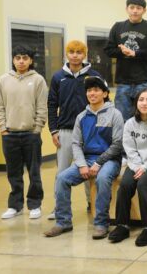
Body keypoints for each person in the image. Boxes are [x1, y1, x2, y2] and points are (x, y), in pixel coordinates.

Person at [44, 76, 123, 239]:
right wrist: (81, 164)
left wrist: (99, 163)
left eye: (96, 90)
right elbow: (76, 144)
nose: (91, 93)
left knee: (102, 178)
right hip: (86, 159)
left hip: (109, 160)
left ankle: (101, 223)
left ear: (105, 93)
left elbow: (117, 144)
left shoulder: (115, 114)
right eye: (89, 90)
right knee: (62, 178)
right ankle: (63, 222)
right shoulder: (81, 117)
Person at [108, 88, 147, 246]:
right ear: (136, 103)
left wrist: (145, 167)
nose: (144, 103)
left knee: (144, 184)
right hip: (137, 164)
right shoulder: (130, 123)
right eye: (141, 100)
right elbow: (129, 148)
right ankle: (122, 225)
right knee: (125, 185)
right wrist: (138, 166)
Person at [47, 40, 101, 220]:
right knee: (62, 172)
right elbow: (52, 105)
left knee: (89, 169)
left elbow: (103, 103)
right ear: (66, 54)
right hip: (65, 131)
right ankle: (59, 207)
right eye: (72, 52)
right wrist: (54, 130)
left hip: (89, 132)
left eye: (79, 52)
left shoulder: (93, 75)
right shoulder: (57, 77)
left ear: (84, 54)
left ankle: (91, 203)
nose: (75, 55)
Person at [0, 45, 47, 220]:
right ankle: (15, 206)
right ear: (13, 60)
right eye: (17, 58)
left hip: (31, 135)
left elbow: (42, 106)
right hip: (9, 134)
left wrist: (37, 128)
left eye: (25, 58)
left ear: (31, 60)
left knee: (34, 172)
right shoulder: (3, 80)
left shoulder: (38, 80)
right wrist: (3, 128)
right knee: (13, 172)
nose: (21, 61)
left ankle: (34, 204)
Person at [104, 0, 147, 121]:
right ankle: (124, 142)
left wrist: (135, 53)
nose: (135, 10)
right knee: (121, 120)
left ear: (144, 10)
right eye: (132, 7)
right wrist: (123, 52)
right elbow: (108, 50)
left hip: (144, 81)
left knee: (146, 118)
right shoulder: (118, 26)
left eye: (138, 8)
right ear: (126, 9)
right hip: (123, 83)